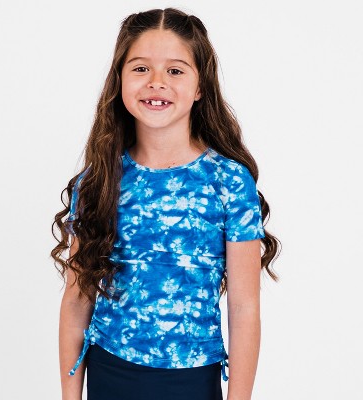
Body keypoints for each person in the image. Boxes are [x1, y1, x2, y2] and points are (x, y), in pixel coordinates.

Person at [51, 7, 280, 400]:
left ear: (200, 86)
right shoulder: (99, 180)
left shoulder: (228, 182)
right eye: (141, 68)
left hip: (192, 381)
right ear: (119, 80)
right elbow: (76, 300)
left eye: (175, 70)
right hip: (110, 373)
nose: (157, 82)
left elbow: (244, 309)